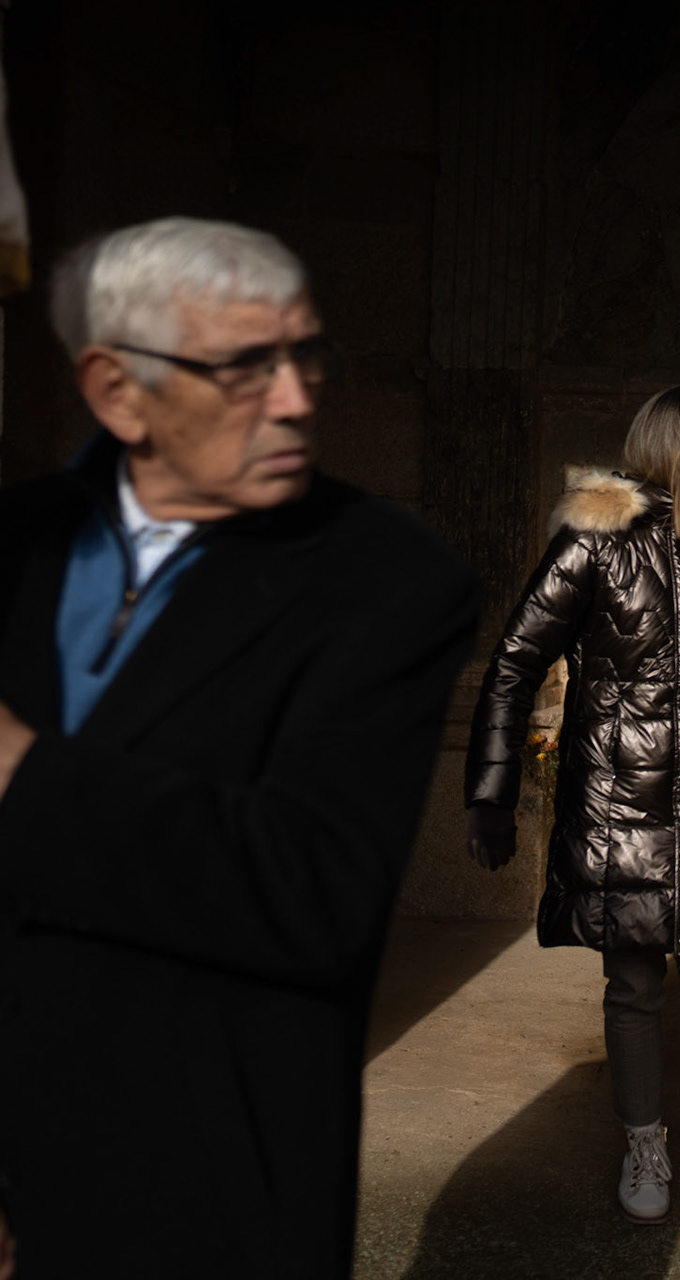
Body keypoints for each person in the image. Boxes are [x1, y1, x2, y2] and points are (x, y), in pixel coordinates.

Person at [0, 217, 480, 1278]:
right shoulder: (14, 544)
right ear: (118, 391)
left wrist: (25, 775)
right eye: (246, 367)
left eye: (306, 355)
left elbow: (315, 892)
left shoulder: (392, 583)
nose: (300, 398)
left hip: (206, 1194)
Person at [464, 385, 680, 1225]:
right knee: (634, 979)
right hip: (619, 802)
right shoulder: (596, 541)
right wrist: (491, 791)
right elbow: (513, 660)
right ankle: (643, 1135)